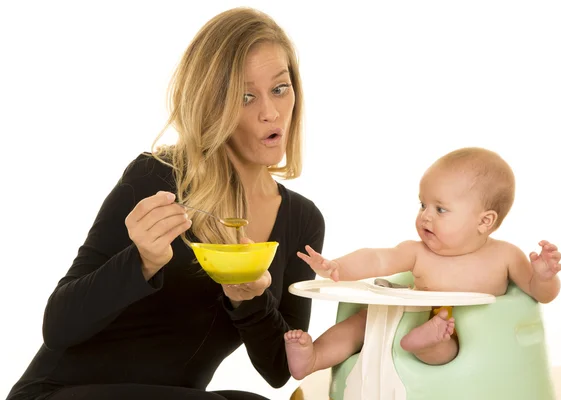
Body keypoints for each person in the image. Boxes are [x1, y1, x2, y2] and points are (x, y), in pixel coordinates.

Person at [7, 7, 325, 400]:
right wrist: (139, 262)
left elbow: (281, 368)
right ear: (213, 105)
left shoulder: (302, 220)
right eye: (245, 96)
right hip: (63, 392)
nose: (270, 112)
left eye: (280, 88)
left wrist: (251, 301)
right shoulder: (157, 178)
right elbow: (57, 326)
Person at [285, 147, 561, 379]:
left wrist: (544, 277)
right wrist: (337, 267)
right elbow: (378, 258)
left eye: (440, 209)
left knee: (446, 344)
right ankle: (313, 357)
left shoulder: (506, 255)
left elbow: (539, 294)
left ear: (484, 221)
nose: (426, 216)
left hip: (462, 337)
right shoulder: (418, 252)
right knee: (361, 323)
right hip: (410, 318)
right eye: (422, 205)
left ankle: (426, 343)